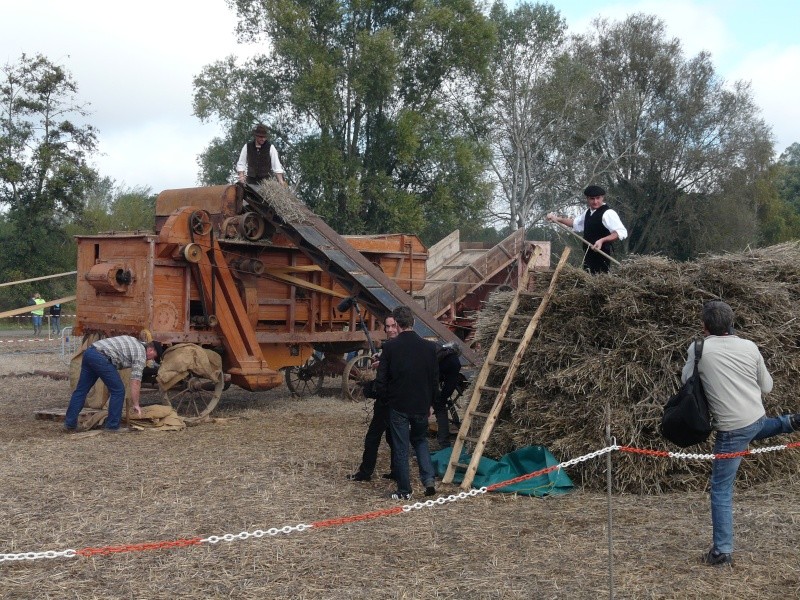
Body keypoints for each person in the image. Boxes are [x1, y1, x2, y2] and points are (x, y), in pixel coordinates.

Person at [681, 301, 799, 566]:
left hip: (731, 429)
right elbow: (767, 387)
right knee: (756, 428)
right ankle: (790, 422)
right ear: (732, 322)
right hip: (755, 418)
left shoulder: (698, 349)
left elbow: (685, 382)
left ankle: (722, 552)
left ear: (704, 325)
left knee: (721, 491)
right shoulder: (749, 346)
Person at [374, 306, 439, 500]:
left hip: (399, 405)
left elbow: (381, 379)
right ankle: (428, 480)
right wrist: (431, 403)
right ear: (413, 323)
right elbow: (434, 379)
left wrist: (387, 398)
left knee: (401, 446)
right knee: (420, 441)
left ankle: (404, 490)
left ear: (398, 325)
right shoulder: (429, 348)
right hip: (421, 404)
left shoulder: (390, 348)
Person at [64, 336, 164, 433]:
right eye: (153, 357)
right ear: (150, 350)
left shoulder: (135, 342)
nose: (150, 360)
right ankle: (112, 426)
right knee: (118, 390)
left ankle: (70, 424)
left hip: (90, 353)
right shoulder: (141, 354)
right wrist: (136, 404)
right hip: (101, 357)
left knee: (81, 390)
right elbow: (136, 381)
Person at [346, 315, 399, 482]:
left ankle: (365, 472)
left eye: (393, 326)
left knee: (374, 438)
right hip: (387, 399)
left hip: (389, 400)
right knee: (391, 438)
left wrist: (382, 364)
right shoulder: (391, 346)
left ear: (400, 327)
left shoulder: (397, 347)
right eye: (388, 327)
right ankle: (394, 471)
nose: (390, 330)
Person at [546, 185, 628, 274]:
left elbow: (620, 232)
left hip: (602, 255)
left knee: (600, 279)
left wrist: (602, 240)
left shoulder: (608, 213)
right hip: (588, 254)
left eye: (598, 198)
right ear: (587, 199)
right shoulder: (587, 212)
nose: (595, 201)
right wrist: (557, 219)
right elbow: (575, 223)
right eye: (592, 199)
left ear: (602, 198)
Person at [433, 343, 462, 449]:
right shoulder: (455, 362)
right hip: (432, 383)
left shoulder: (438, 350)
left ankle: (417, 442)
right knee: (441, 410)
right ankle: (444, 443)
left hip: (422, 380)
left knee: (419, 413)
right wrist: (443, 398)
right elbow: (450, 384)